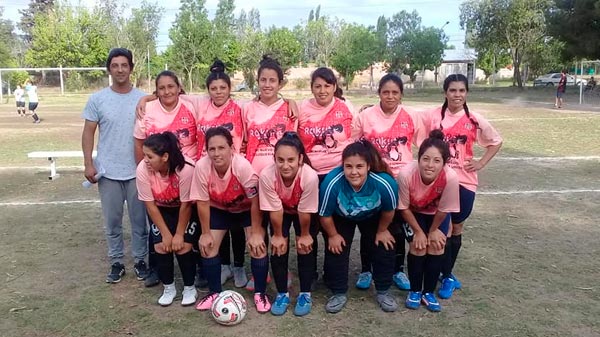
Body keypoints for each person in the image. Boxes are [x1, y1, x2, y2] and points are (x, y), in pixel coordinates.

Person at [427, 74, 502, 299]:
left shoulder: (474, 119)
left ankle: (446, 273)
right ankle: (444, 274)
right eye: (452, 90)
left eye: (461, 90)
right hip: (440, 182)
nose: (457, 95)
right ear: (445, 92)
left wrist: (480, 162)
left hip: (465, 181)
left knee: (457, 228)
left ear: (466, 93)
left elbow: (496, 141)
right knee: (443, 228)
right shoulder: (433, 116)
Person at [352, 73, 426, 292]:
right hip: (372, 181)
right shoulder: (366, 116)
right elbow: (355, 148)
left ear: (401, 94)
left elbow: (423, 147)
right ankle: (367, 269)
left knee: (397, 228)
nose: (390, 96)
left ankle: (397, 269)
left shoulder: (412, 116)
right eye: (386, 92)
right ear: (379, 93)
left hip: (402, 181)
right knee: (368, 227)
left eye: (395, 92)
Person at [81, 48, 149, 284]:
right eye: (115, 65)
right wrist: (88, 163)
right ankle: (117, 262)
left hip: (137, 171)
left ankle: (141, 260)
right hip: (108, 172)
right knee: (112, 222)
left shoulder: (142, 98)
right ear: (109, 68)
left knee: (140, 222)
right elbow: (88, 132)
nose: (120, 69)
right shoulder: (97, 99)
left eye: (124, 65)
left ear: (131, 68)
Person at [190, 127, 272, 313]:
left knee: (257, 246)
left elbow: (255, 200)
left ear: (231, 148)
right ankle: (214, 293)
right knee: (208, 246)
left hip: (245, 209)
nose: (217, 153)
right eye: (212, 149)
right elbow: (202, 203)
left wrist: (257, 232)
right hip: (220, 209)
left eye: (221, 148)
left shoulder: (242, 166)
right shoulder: (202, 167)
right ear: (206, 150)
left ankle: (260, 293)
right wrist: (204, 233)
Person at [319, 139, 399, 313]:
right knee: (336, 249)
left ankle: (383, 291)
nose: (354, 172)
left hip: (374, 216)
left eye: (359, 167)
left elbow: (389, 210)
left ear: (368, 166)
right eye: (348, 166)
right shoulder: (331, 182)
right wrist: (333, 235)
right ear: (342, 166)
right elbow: (324, 215)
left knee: (385, 245)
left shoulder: (385, 183)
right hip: (341, 216)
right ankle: (338, 292)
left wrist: (382, 230)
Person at [133, 70, 198, 287]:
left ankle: (196, 271)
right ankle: (157, 270)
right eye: (161, 88)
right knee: (159, 230)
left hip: (187, 175)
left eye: (171, 86)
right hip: (158, 177)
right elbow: (139, 141)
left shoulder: (191, 103)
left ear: (179, 87)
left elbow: (219, 96)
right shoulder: (148, 109)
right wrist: (144, 168)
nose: (167, 91)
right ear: (156, 91)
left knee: (188, 226)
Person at [242, 55, 298, 291]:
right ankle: (259, 273)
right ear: (257, 81)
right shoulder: (247, 108)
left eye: (272, 80)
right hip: (254, 176)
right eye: (263, 80)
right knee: (257, 228)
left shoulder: (290, 109)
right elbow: (243, 141)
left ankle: (282, 271)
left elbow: (294, 144)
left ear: (280, 84)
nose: (267, 84)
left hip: (280, 178)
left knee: (279, 228)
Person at [298, 66, 355, 288]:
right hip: (311, 176)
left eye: (327, 86)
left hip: (338, 176)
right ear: (311, 88)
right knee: (311, 227)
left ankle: (333, 275)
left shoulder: (346, 107)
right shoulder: (302, 108)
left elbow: (355, 137)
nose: (322, 90)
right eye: (317, 86)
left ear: (334, 87)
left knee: (335, 228)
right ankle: (309, 273)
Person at [397, 129, 460, 312]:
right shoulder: (406, 174)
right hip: (413, 214)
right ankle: (415, 291)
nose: (430, 165)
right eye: (425, 158)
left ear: (444, 163)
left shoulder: (450, 177)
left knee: (436, 244)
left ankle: (428, 292)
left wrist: (432, 231)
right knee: (418, 246)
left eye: (437, 160)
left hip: (436, 216)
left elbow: (443, 210)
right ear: (418, 158)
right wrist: (418, 232)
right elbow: (404, 208)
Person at [259, 132, 319, 316]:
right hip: (281, 211)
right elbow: (275, 210)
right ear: (274, 158)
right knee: (278, 248)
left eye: (291, 160)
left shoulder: (309, 176)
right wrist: (277, 235)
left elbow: (305, 211)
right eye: (281, 160)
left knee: (305, 246)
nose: (285, 165)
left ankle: (305, 293)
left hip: (304, 211)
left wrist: (305, 234)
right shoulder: (267, 175)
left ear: (300, 159)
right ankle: (282, 293)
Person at [136, 132, 199, 306]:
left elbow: (186, 205)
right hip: (160, 209)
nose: (145, 160)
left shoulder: (186, 169)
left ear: (165, 157)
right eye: (144, 156)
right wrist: (165, 234)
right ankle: (169, 287)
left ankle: (189, 287)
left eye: (150, 156)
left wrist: (178, 234)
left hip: (183, 209)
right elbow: (150, 205)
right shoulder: (142, 169)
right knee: (162, 247)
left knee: (182, 247)